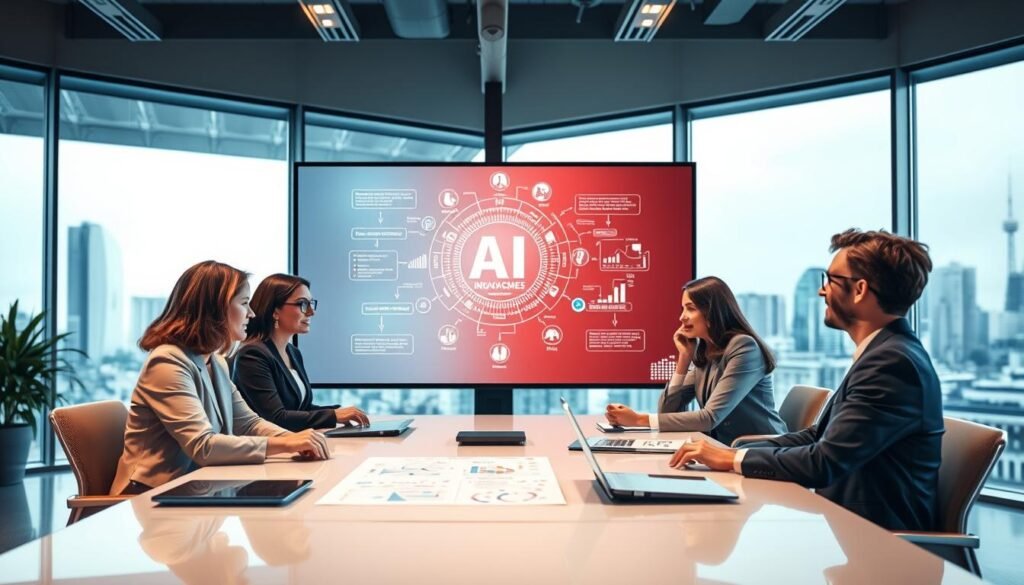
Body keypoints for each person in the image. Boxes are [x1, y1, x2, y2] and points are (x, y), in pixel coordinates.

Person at [669, 229, 943, 532]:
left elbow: (824, 462)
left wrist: (733, 460)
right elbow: (817, 436)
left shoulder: (892, 363)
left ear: (860, 289)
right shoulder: (883, 353)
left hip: (875, 541)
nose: (821, 292)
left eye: (831, 280)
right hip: (842, 525)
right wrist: (733, 455)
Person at [110, 261, 331, 496]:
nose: (252, 313)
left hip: (197, 491)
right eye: (245, 303)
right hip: (150, 498)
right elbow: (203, 446)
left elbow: (248, 424)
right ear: (215, 309)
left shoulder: (215, 362)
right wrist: (288, 444)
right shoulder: (167, 362)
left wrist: (299, 439)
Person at [605, 276, 787, 447]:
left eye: (690, 308)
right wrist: (683, 359)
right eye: (683, 309)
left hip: (758, 449)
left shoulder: (744, 347)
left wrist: (638, 420)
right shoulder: (707, 351)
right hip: (722, 447)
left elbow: (709, 418)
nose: (682, 317)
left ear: (712, 312)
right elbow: (667, 413)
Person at [232, 274, 368, 431]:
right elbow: (276, 418)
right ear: (275, 311)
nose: (311, 312)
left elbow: (301, 409)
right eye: (302, 304)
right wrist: (334, 415)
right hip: (268, 450)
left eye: (311, 304)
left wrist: (341, 412)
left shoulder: (293, 352)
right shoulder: (252, 355)